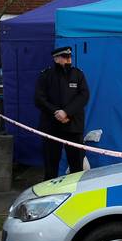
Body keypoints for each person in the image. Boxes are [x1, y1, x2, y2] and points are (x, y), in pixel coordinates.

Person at [34, 46, 89, 180]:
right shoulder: (46, 75)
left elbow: (84, 96)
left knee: (76, 165)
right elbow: (39, 99)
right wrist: (56, 113)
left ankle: (76, 193)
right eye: (65, 57)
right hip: (52, 127)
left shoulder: (78, 74)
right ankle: (49, 193)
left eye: (69, 57)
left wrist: (66, 112)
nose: (68, 59)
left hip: (73, 126)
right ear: (56, 59)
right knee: (51, 164)